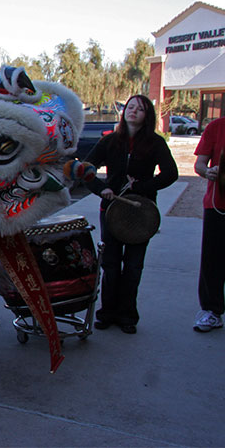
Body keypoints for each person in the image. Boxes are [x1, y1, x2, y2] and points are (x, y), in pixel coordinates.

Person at [84, 95, 178, 334]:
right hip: (112, 211)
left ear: (148, 116)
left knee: (134, 266)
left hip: (141, 214)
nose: (133, 111)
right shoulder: (111, 141)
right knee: (112, 264)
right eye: (130, 107)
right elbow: (85, 168)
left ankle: (128, 316)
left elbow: (170, 174)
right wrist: (100, 187)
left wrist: (142, 187)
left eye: (140, 109)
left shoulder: (155, 143)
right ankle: (107, 313)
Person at [192, 116, 225, 332]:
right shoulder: (216, 127)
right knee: (213, 261)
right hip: (218, 204)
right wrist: (209, 171)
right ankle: (212, 311)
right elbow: (200, 164)